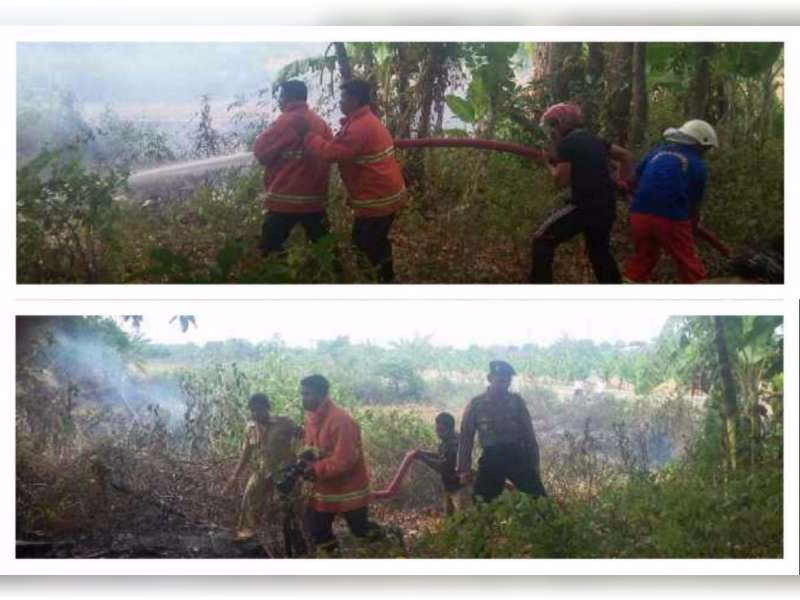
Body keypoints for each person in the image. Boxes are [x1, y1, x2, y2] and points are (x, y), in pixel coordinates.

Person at [297, 79, 408, 283]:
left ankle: (376, 281)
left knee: (362, 245)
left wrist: (308, 137)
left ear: (354, 99)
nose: (340, 102)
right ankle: (386, 279)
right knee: (378, 241)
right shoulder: (366, 121)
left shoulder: (359, 127)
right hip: (386, 194)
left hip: (376, 199)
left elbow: (332, 153)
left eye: (343, 97)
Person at [531, 102, 633, 284]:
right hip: (607, 206)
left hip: (584, 208)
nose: (551, 132)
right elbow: (625, 155)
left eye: (552, 126)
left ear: (561, 123)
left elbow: (560, 181)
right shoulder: (594, 140)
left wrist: (547, 164)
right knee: (599, 253)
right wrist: (623, 183)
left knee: (542, 240)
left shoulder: (568, 144)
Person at [623, 119, 719, 283]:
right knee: (689, 265)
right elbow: (693, 205)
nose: (706, 151)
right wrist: (692, 227)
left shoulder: (655, 153)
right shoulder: (697, 166)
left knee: (642, 261)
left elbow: (633, 180)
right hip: (670, 218)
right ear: (698, 144)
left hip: (638, 215)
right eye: (706, 148)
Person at [299, 374, 381, 554]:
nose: (302, 398)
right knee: (317, 530)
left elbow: (345, 460)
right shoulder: (312, 419)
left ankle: (389, 541)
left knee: (361, 530)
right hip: (325, 489)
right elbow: (314, 448)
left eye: (307, 394)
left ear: (321, 395)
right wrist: (306, 459)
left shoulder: (341, 421)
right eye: (302, 394)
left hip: (350, 490)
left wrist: (314, 469)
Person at [253, 80, 333, 257]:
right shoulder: (320, 123)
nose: (279, 101)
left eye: (280, 97)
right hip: (314, 200)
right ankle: (337, 278)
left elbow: (261, 151)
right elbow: (329, 153)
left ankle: (280, 277)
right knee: (325, 247)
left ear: (288, 98)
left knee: (270, 247)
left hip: (285, 199)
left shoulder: (284, 122)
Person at [457, 361, 547, 503]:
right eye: (501, 380)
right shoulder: (476, 404)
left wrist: (534, 463)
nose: (504, 384)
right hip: (491, 458)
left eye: (507, 381)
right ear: (490, 378)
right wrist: (464, 469)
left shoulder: (516, 402)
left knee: (539, 499)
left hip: (516, 455)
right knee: (482, 503)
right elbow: (466, 438)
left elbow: (529, 435)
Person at [224, 393, 303, 542]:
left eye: (258, 409)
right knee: (250, 497)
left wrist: (300, 463)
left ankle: (295, 534)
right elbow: (245, 454)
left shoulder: (284, 422)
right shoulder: (250, 428)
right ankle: (247, 532)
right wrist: (235, 475)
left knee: (288, 504)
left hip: (284, 471)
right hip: (261, 471)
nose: (255, 413)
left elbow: (302, 435)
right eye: (252, 410)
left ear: (267, 408)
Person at [412, 412, 471, 515]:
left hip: (460, 489)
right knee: (451, 520)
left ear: (449, 428)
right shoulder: (448, 440)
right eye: (437, 429)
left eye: (440, 430)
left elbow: (442, 467)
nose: (438, 433)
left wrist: (424, 458)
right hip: (450, 488)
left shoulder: (453, 445)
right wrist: (424, 454)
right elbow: (442, 456)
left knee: (463, 520)